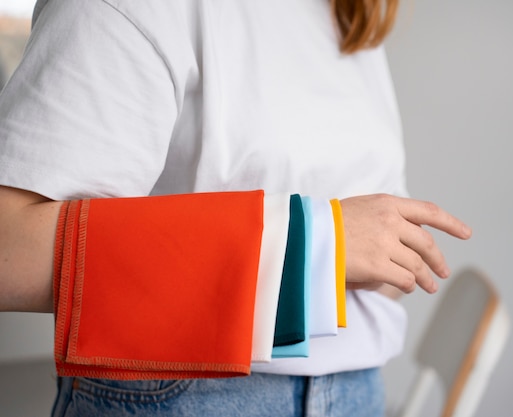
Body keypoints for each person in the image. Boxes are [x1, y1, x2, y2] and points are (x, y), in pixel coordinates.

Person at [0, 0, 472, 416]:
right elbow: (10, 251)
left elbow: (372, 238)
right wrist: (321, 245)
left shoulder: (350, 14)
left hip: (358, 388)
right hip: (187, 395)